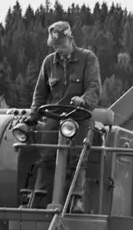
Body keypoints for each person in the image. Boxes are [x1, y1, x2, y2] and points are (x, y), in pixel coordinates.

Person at [23, 21, 102, 210]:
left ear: (70, 39)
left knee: (77, 158)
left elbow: (94, 87)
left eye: (62, 45)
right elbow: (40, 93)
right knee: (46, 157)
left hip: (80, 117)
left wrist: (84, 100)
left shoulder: (87, 58)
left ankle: (77, 199)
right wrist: (32, 117)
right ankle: (39, 198)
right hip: (55, 117)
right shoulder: (49, 62)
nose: (60, 50)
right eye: (56, 46)